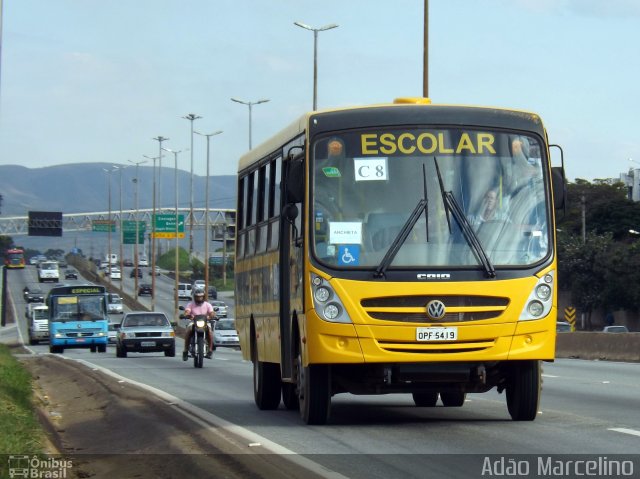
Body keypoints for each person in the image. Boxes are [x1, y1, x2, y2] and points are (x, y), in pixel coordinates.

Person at [182, 288, 216, 361]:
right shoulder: (190, 304)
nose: (199, 298)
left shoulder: (207, 305)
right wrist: (186, 314)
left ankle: (210, 350)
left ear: (203, 297)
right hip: (193, 321)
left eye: (201, 296)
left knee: (210, 332)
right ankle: (185, 351)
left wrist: (212, 315)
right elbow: (187, 311)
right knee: (188, 331)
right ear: (194, 297)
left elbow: (211, 312)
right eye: (197, 297)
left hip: (205, 322)